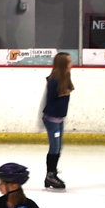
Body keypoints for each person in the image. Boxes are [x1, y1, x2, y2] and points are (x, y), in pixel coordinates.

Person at [42, 51, 74, 190]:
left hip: (59, 119)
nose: (71, 64)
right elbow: (50, 101)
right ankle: (50, 176)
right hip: (52, 119)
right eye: (69, 61)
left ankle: (53, 173)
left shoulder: (65, 77)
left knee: (58, 147)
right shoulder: (55, 80)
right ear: (63, 64)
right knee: (54, 147)